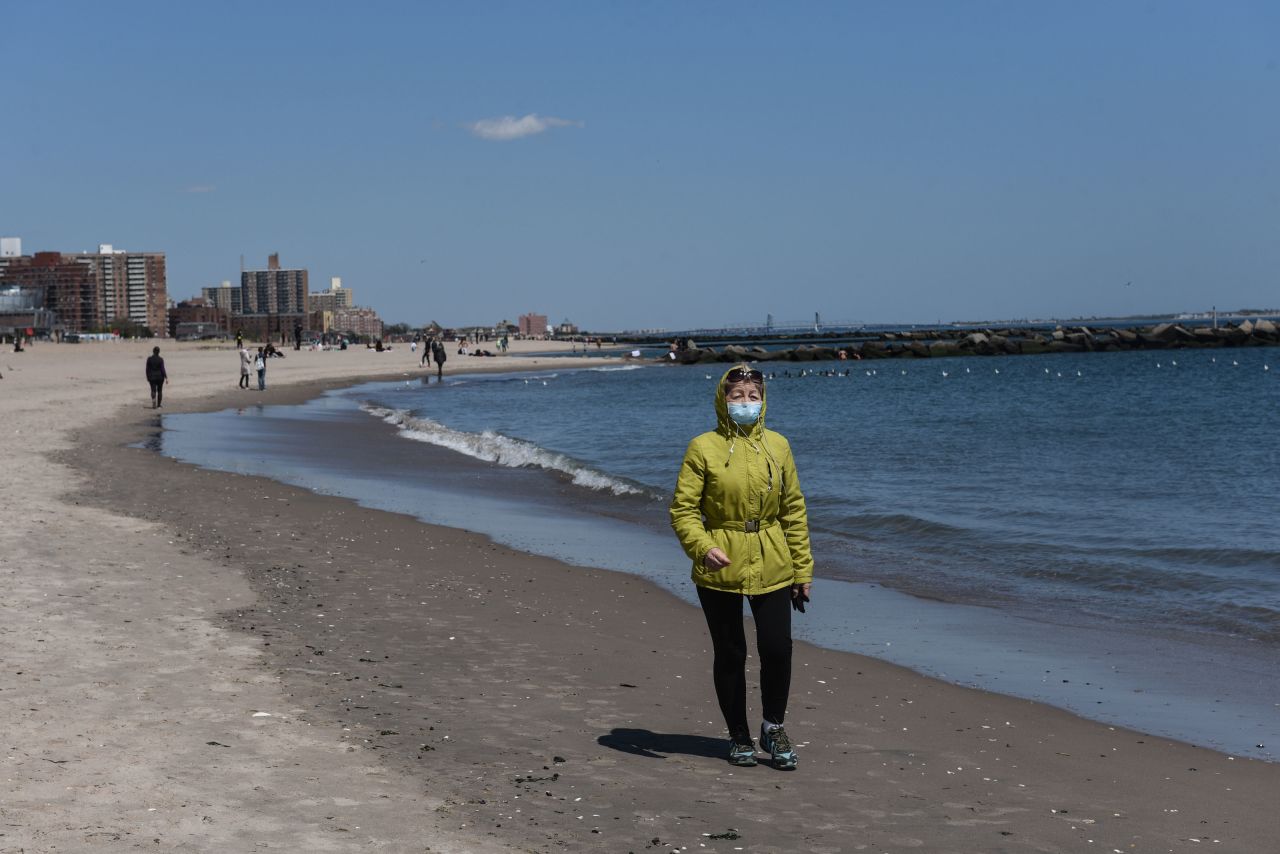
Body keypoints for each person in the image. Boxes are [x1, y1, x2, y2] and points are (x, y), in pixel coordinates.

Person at [669, 364, 813, 770]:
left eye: (753, 396)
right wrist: (703, 547)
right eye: (737, 397)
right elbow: (683, 511)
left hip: (772, 557)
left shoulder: (779, 446)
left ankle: (773, 726)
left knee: (777, 649)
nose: (746, 403)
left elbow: (794, 511)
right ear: (722, 400)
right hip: (721, 563)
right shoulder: (703, 448)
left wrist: (803, 571)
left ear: (763, 401)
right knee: (731, 651)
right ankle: (738, 737)